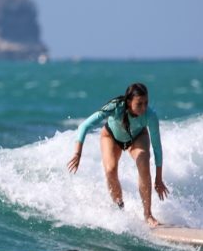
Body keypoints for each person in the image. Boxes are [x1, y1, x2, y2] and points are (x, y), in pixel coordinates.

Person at [67, 82, 169, 227]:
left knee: (144, 161)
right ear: (129, 101)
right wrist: (77, 153)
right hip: (111, 137)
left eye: (146, 103)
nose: (144, 107)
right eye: (139, 104)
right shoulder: (115, 107)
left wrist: (158, 178)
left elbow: (157, 148)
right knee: (110, 169)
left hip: (137, 137)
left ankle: (148, 214)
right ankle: (120, 207)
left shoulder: (150, 116)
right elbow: (85, 125)